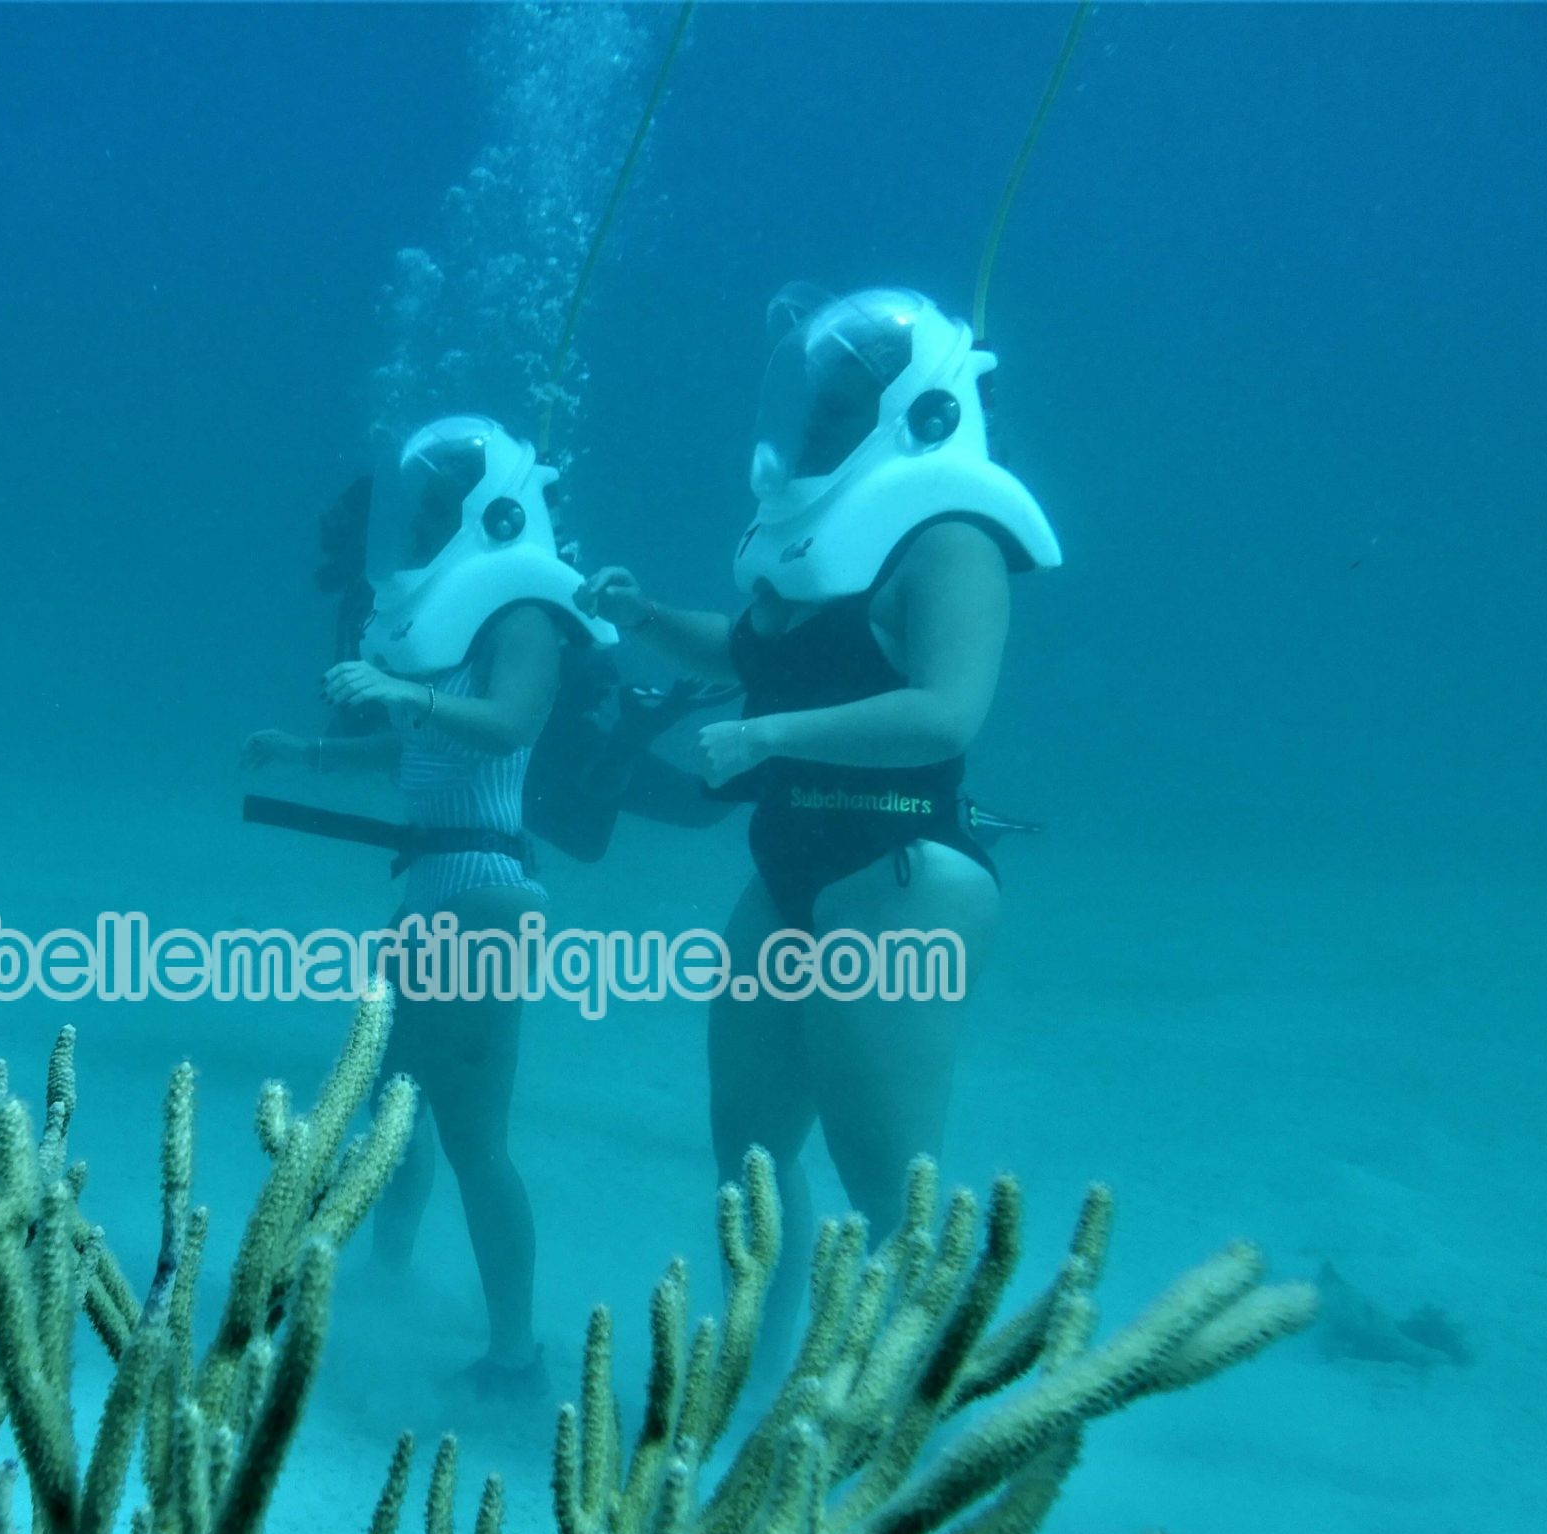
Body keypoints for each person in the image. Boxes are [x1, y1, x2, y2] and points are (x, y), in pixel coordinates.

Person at [577, 286, 1061, 1341]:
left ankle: (886, 1431)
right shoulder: (816, 544)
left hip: (898, 869)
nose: (814, 423)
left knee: (884, 1183)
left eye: (845, 405)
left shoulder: (950, 541)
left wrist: (767, 739)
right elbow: (751, 655)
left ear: (918, 413)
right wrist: (648, 617)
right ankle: (754, 1377)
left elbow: (944, 712)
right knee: (745, 1153)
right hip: (788, 867)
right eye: (816, 399)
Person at [244, 416, 617, 1396]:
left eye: (439, 508)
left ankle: (513, 1354)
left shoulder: (521, 617)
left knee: (470, 1132)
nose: (417, 527)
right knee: (393, 1109)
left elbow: (506, 728)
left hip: (485, 898)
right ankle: (387, 1279)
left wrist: (397, 696)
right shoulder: (454, 623)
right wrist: (309, 751)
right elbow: (422, 752)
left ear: (481, 513)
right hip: (432, 895)